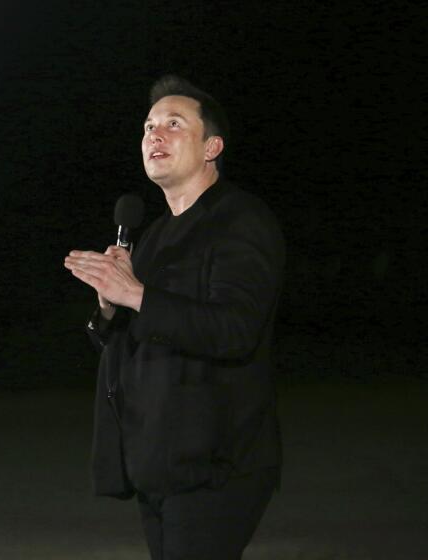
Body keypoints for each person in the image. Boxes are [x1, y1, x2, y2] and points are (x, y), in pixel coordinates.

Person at [64, 75, 285, 559]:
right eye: (147, 127)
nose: (154, 135)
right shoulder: (155, 235)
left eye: (173, 124)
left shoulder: (240, 220)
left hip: (216, 463)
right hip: (157, 459)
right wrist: (108, 307)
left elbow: (235, 330)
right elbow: (132, 338)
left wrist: (137, 295)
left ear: (212, 147)